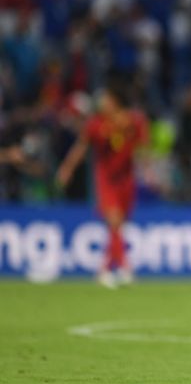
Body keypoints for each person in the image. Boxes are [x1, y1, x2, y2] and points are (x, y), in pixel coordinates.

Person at [56, 86, 148, 288]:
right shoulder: (96, 124)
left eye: (106, 99)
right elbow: (82, 146)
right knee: (114, 221)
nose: (102, 103)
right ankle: (125, 268)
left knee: (118, 226)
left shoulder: (134, 120)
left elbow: (142, 147)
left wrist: (148, 171)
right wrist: (67, 167)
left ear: (115, 101)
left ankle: (104, 270)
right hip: (106, 180)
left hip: (126, 179)